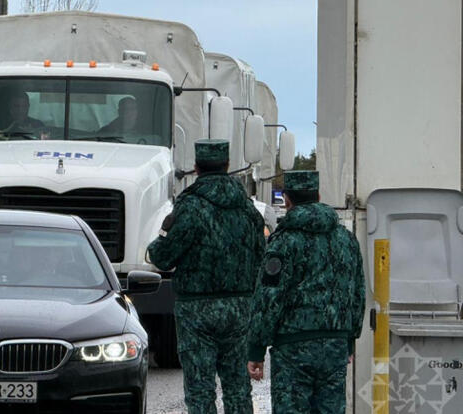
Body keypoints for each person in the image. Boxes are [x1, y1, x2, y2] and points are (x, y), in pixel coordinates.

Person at [147, 139, 266, 414]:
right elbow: (262, 256)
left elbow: (162, 256)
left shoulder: (189, 207)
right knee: (238, 388)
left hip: (196, 310)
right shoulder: (248, 210)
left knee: (200, 390)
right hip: (239, 307)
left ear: (197, 168)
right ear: (227, 166)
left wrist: (160, 239)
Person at [246, 170, 366, 414]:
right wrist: (350, 340)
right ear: (319, 195)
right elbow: (357, 292)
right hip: (335, 344)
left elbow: (269, 299)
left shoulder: (283, 242)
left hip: (293, 347)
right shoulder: (346, 239)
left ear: (287, 200)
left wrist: (256, 349)